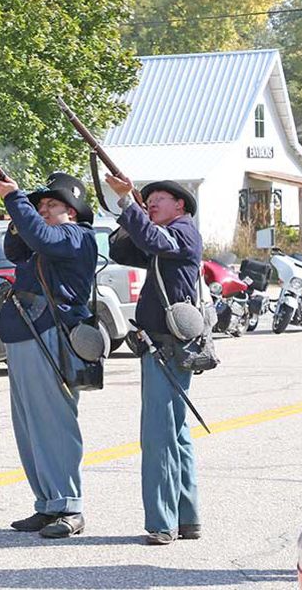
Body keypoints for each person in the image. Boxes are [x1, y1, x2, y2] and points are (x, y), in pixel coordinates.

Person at [0, 171, 96, 539]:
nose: (44, 210)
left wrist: (16, 201)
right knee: (29, 425)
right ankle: (48, 503)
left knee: (54, 423)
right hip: (26, 331)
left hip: (52, 334)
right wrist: (16, 212)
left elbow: (40, 234)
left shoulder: (75, 235)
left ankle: (69, 504)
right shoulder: (45, 239)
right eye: (41, 205)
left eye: (52, 204)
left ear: (72, 210)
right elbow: (16, 248)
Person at [105, 174, 202, 546]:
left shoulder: (182, 231)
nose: (154, 202)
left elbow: (151, 239)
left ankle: (163, 522)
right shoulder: (166, 235)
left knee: (159, 436)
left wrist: (129, 203)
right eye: (151, 199)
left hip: (166, 345)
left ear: (180, 206)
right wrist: (128, 209)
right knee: (175, 432)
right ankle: (186, 516)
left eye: (160, 198)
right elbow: (123, 251)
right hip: (163, 344)